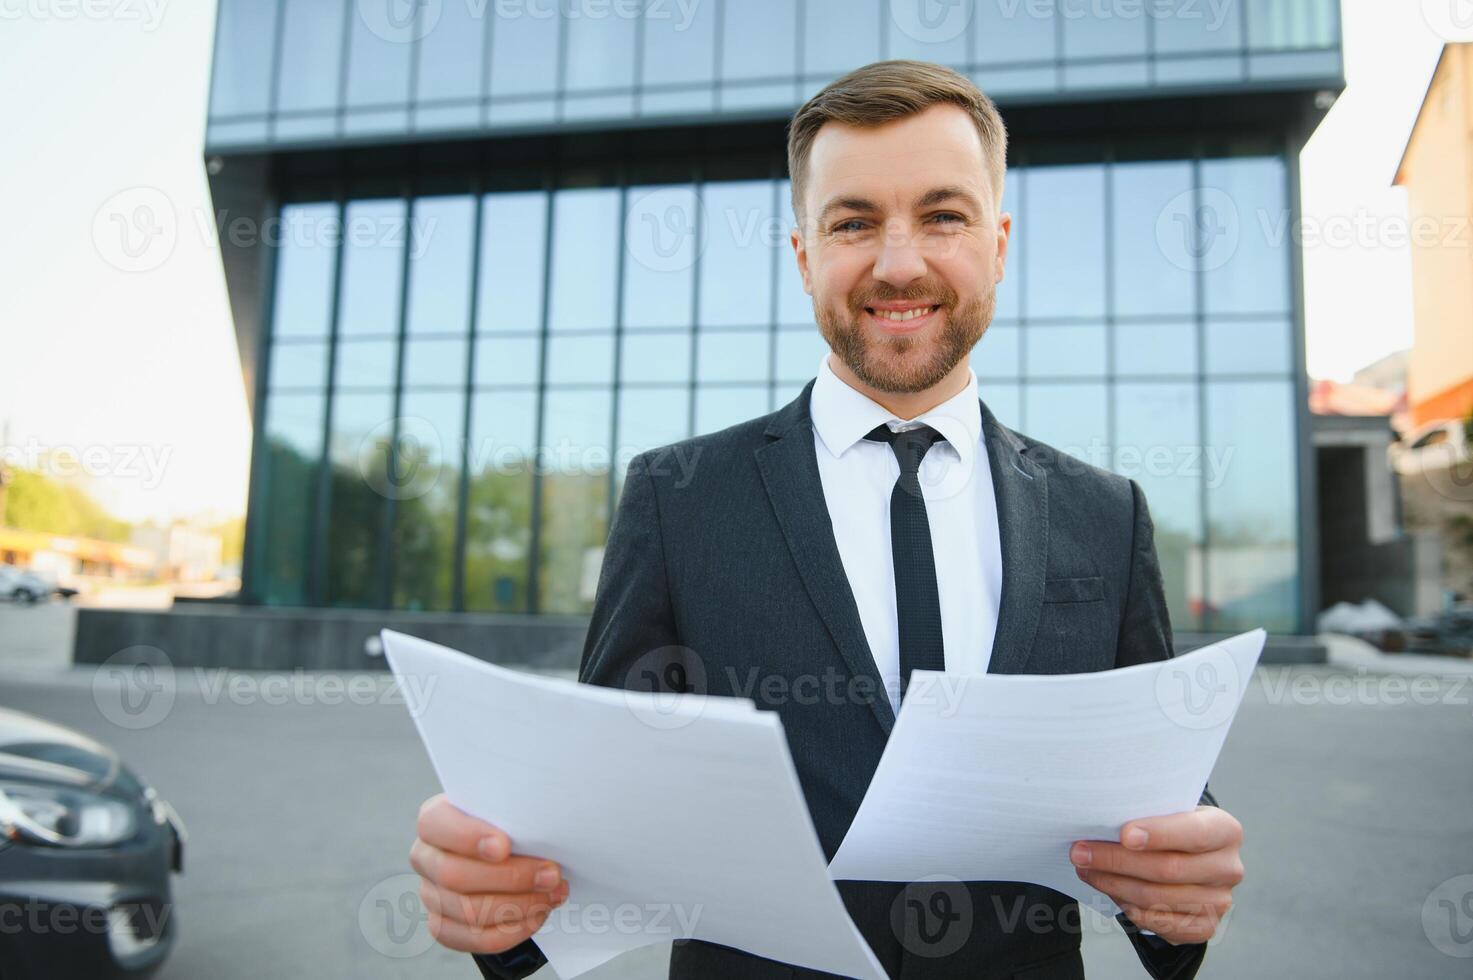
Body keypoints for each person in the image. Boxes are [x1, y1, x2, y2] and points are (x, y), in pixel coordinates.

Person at [410, 60, 1244, 979]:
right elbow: (597, 808)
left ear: (998, 244)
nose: (898, 263)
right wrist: (499, 888)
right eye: (852, 223)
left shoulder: (1105, 514)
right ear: (804, 254)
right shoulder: (679, 498)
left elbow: (1158, 809)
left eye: (943, 215)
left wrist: (1180, 893)